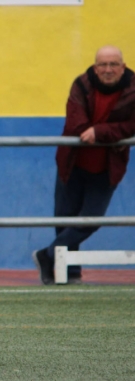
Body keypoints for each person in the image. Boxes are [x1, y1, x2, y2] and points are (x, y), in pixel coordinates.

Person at [33, 45, 135, 285]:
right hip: (72, 162)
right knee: (65, 219)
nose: (108, 69)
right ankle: (69, 272)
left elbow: (132, 125)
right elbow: (76, 123)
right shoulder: (81, 85)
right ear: (95, 67)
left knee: (92, 220)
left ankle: (46, 255)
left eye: (113, 64)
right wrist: (99, 132)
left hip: (108, 167)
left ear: (123, 66)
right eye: (103, 65)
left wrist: (99, 131)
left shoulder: (133, 89)